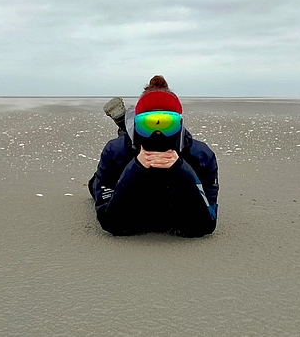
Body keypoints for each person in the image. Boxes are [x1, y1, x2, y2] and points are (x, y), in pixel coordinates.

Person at [88, 75, 219, 237]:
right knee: (94, 186)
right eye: (147, 124)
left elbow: (206, 225)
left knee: (133, 137)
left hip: (174, 181)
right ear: (138, 124)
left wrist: (182, 169)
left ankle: (128, 122)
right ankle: (126, 124)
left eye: (167, 123)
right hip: (128, 155)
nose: (158, 133)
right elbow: (110, 222)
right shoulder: (115, 152)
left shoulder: (201, 155)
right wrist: (135, 168)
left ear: (180, 124)